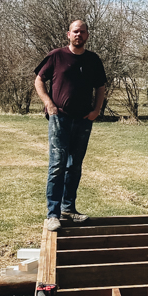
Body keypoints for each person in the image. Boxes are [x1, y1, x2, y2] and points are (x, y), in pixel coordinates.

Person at [34, 19, 107, 231]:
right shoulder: (56, 56)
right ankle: (52, 215)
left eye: (82, 32)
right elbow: (39, 80)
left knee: (74, 166)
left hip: (84, 120)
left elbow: (100, 86)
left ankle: (69, 208)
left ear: (87, 35)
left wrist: (96, 110)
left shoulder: (93, 60)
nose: (79, 35)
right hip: (60, 119)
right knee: (57, 165)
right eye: (75, 31)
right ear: (68, 34)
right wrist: (49, 104)